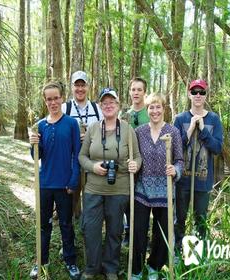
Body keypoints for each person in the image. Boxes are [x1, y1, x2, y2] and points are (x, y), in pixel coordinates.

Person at [78, 88, 142, 280]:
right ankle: (91, 267)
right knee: (91, 230)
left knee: (115, 230)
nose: (108, 105)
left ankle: (111, 268)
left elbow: (137, 157)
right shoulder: (93, 129)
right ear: (100, 106)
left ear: (118, 105)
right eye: (104, 103)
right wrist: (93, 166)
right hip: (93, 189)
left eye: (111, 102)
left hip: (119, 188)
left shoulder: (128, 130)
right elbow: (82, 156)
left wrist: (135, 165)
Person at [29, 81, 81, 280]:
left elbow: (77, 154)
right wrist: (33, 143)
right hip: (45, 184)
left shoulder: (70, 123)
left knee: (66, 224)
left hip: (64, 184)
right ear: (45, 101)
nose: (53, 102)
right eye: (49, 99)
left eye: (56, 98)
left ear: (62, 98)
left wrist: (74, 180)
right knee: (44, 225)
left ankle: (70, 260)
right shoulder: (40, 125)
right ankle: (41, 261)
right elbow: (37, 156)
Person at [132, 94, 184, 280]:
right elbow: (135, 157)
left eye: (158, 107)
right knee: (138, 231)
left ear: (164, 109)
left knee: (161, 233)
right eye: (151, 108)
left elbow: (180, 160)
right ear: (147, 110)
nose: (155, 111)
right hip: (142, 189)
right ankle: (136, 269)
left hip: (165, 189)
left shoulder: (173, 132)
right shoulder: (139, 132)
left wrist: (175, 170)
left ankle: (154, 266)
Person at [174, 79, 223, 252]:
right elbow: (175, 149)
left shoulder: (214, 119)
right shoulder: (180, 119)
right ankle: (177, 253)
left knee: (200, 221)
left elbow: (217, 148)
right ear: (189, 94)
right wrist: (188, 131)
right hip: (182, 182)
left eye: (201, 92)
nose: (197, 95)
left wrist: (202, 130)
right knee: (179, 219)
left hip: (203, 182)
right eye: (194, 92)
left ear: (205, 95)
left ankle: (196, 255)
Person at [62, 70, 103, 217]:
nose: (80, 89)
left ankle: (88, 225)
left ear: (88, 87)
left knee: (91, 198)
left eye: (83, 85)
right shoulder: (64, 109)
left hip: (92, 162)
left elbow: (106, 132)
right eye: (76, 85)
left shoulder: (97, 109)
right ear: (71, 87)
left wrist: (91, 138)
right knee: (71, 196)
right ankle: (72, 224)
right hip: (70, 161)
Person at [122, 77, 150, 246]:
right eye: (133, 89)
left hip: (146, 164)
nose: (136, 93)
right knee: (128, 198)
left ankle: (142, 235)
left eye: (139, 89)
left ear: (144, 92)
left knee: (143, 201)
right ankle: (128, 231)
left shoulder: (150, 112)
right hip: (128, 163)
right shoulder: (124, 115)